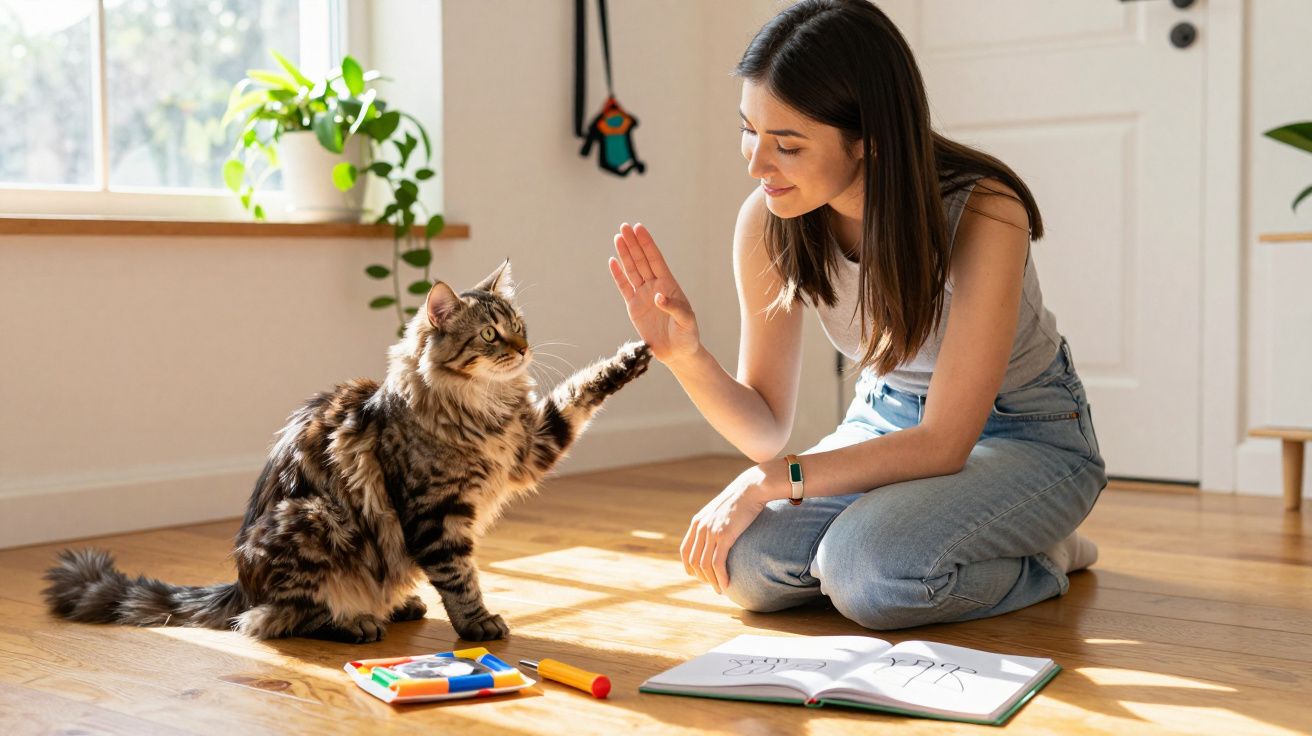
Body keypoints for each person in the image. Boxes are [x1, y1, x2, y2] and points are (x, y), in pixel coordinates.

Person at [606, 0, 1106, 630]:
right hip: (885, 419)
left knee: (868, 575)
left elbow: (946, 443)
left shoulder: (983, 212)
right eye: (749, 131)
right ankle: (922, 534)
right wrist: (687, 358)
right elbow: (764, 428)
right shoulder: (769, 219)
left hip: (1025, 432)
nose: (756, 164)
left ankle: (1046, 554)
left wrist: (768, 482)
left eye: (786, 144)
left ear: (869, 137)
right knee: (747, 567)